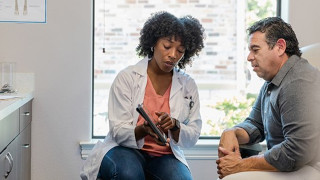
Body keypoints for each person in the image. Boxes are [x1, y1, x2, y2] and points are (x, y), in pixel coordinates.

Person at [80, 11, 205, 180]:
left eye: (180, 50)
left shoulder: (187, 85)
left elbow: (192, 136)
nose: (173, 55)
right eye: (167, 47)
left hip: (164, 155)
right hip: (125, 149)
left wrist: (175, 126)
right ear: (153, 42)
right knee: (129, 174)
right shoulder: (127, 78)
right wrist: (143, 130)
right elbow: (117, 131)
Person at [216, 17, 320, 180]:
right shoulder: (273, 81)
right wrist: (232, 132)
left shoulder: (299, 82)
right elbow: (256, 124)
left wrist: (241, 165)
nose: (249, 57)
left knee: (232, 178)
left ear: (280, 47)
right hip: (291, 165)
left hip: (310, 168)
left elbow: (296, 152)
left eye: (255, 49)